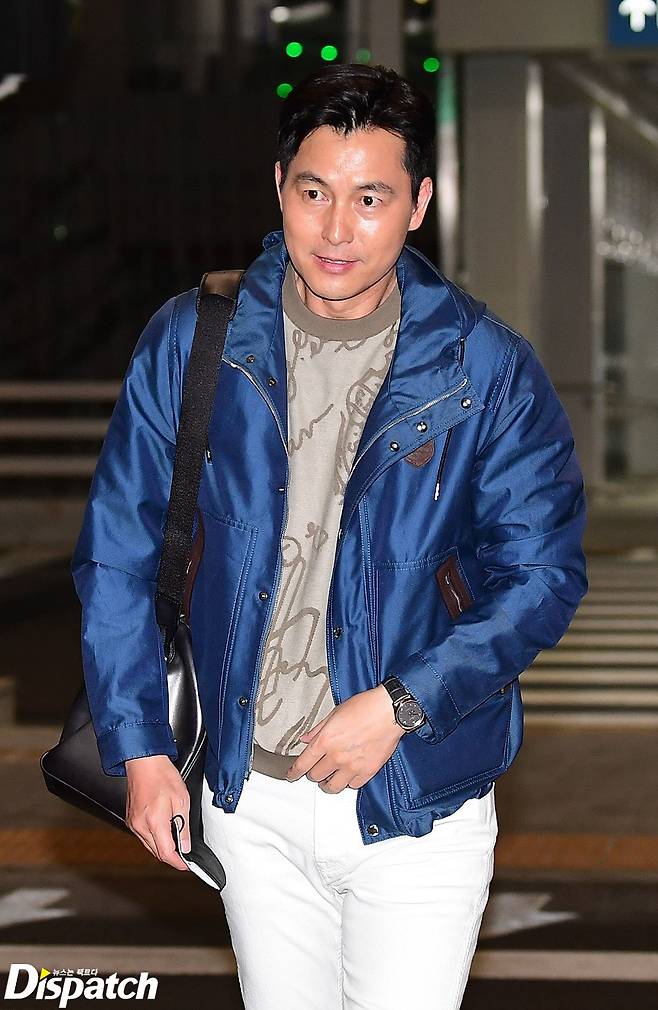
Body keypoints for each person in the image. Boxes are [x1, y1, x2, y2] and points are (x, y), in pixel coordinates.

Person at [72, 63, 588, 1009]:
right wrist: (141, 748)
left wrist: (400, 703)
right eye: (314, 193)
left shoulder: (485, 369)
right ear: (279, 186)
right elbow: (119, 553)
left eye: (371, 198)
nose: (337, 229)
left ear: (419, 204)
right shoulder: (195, 341)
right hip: (250, 801)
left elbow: (542, 576)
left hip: (415, 797)